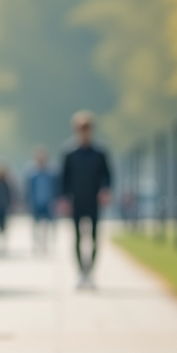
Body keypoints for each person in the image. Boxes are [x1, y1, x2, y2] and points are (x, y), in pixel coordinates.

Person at [60, 111, 112, 288]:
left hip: (93, 201)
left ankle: (91, 273)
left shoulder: (99, 153)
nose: (84, 133)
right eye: (81, 129)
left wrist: (105, 190)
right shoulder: (70, 153)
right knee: (77, 237)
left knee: (95, 238)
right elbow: (64, 178)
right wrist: (64, 198)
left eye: (87, 129)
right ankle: (80, 272)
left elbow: (107, 175)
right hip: (76, 201)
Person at [27, 146, 57, 255]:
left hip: (48, 202)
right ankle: (36, 244)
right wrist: (28, 202)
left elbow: (55, 188)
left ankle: (44, 244)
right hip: (35, 202)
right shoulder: (32, 174)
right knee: (35, 225)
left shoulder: (51, 173)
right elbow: (28, 189)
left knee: (46, 225)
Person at [0, 164, 14, 254]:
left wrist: (10, 205)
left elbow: (9, 196)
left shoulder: (6, 184)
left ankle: (3, 244)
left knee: (4, 227)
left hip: (4, 207)